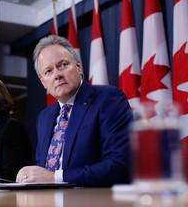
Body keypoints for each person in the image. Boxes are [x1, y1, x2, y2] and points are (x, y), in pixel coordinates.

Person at [16, 35, 133, 187]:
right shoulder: (44, 117)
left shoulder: (109, 99)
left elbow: (119, 165)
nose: (57, 75)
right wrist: (29, 175)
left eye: (63, 65)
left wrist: (55, 177)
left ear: (78, 67)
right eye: (48, 71)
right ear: (43, 82)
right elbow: (43, 168)